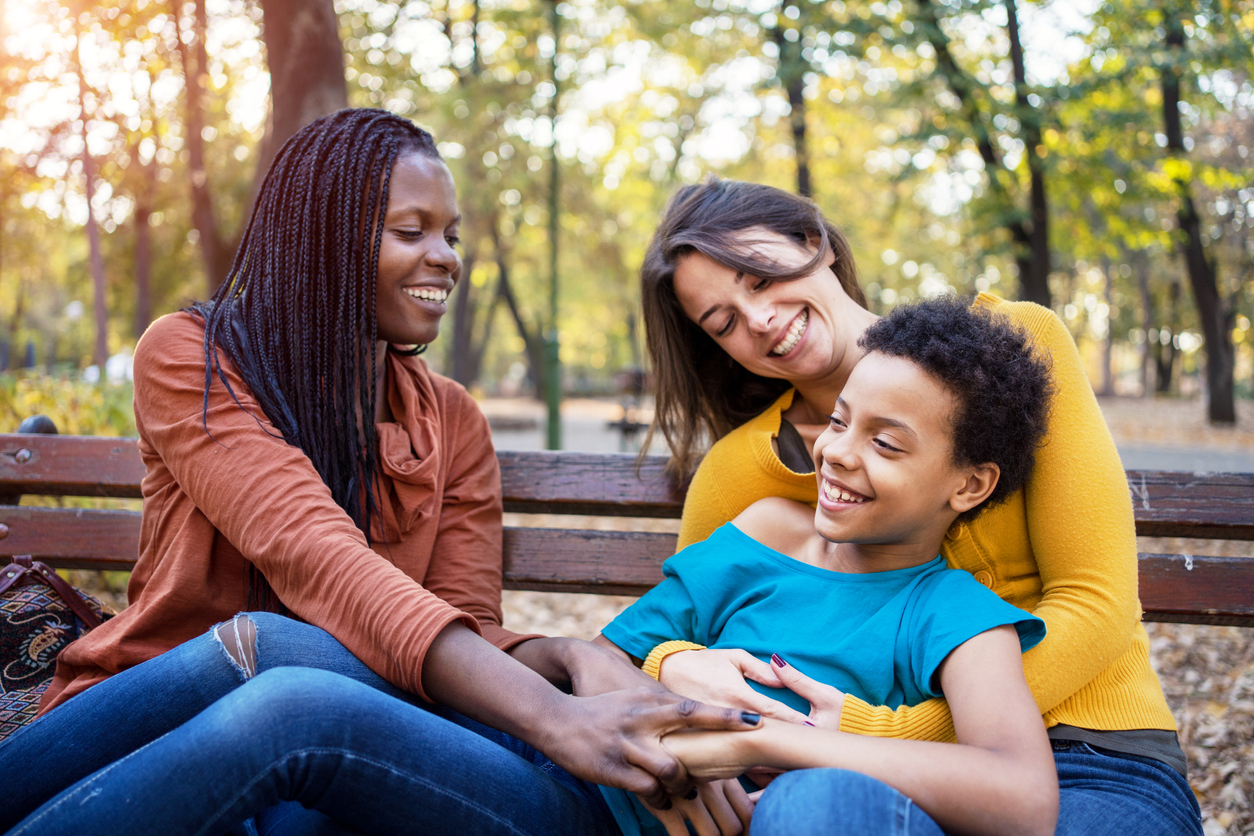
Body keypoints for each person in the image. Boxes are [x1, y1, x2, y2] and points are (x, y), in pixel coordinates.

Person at [0, 109, 761, 836]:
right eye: (411, 230)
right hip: (145, 736)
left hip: (320, 760)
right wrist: (551, 715)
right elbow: (317, 558)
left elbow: (469, 631)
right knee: (267, 647)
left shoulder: (453, 421)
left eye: (451, 235)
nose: (447, 257)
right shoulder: (192, 357)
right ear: (325, 239)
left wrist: (572, 655)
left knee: (320, 693)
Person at [635, 178, 1203, 836]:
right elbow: (678, 634)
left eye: (758, 280)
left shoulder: (1013, 349)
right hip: (835, 783)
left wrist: (889, 731)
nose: (757, 320)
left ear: (813, 242)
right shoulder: (738, 468)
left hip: (1090, 753)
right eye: (724, 322)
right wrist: (669, 663)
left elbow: (1094, 599)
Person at [596, 298, 1058, 836]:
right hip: (606, 808)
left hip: (807, 820)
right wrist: (668, 670)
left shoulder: (953, 612)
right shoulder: (761, 534)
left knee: (815, 803)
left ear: (969, 484)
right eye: (838, 421)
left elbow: (1023, 801)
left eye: (885, 443)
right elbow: (599, 662)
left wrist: (763, 740)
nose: (836, 451)